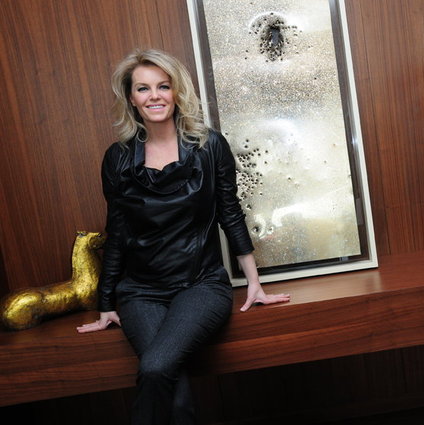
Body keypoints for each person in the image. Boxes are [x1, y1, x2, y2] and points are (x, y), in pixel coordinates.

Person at [77, 48, 290, 425]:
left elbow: (229, 213)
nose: (154, 96)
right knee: (168, 380)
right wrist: (106, 302)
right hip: (140, 291)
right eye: (143, 88)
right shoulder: (117, 158)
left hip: (201, 285)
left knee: (157, 365)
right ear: (131, 98)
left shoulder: (210, 146)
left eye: (163, 86)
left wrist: (254, 283)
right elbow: (118, 232)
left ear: (177, 91)